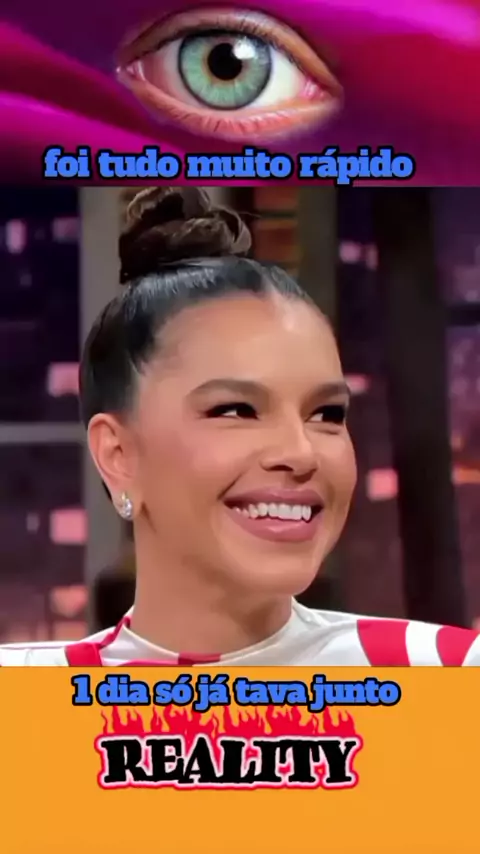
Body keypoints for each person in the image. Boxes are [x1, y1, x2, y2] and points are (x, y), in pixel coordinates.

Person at [2, 187, 479, 666]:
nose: (301, 453)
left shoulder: (444, 674)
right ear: (118, 456)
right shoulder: (24, 693)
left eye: (327, 414)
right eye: (236, 410)